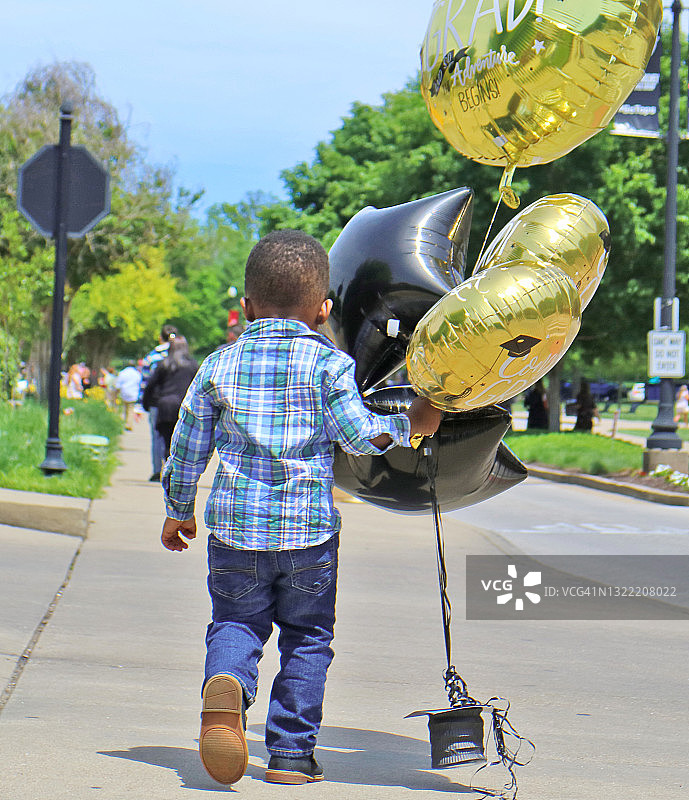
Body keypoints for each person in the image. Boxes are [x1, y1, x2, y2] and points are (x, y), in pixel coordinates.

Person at [159, 230, 441, 787]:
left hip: (236, 533)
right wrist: (412, 425)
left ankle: (229, 686)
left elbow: (188, 442)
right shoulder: (329, 366)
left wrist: (178, 508)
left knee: (236, 622)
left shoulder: (218, 365)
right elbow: (360, 437)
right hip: (309, 536)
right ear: (323, 309)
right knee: (307, 638)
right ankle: (290, 756)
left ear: (246, 307)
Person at [142, 335, 199, 461]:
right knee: (182, 443)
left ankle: (166, 466)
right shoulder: (193, 365)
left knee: (166, 441)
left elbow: (151, 385)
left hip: (165, 406)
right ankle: (176, 471)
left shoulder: (164, 364)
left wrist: (146, 404)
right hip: (184, 407)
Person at [139, 324, 178, 481]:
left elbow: (145, 382)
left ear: (160, 337)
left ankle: (157, 470)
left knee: (156, 437)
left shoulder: (152, 357)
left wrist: (141, 403)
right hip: (177, 402)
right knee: (174, 438)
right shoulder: (182, 356)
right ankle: (172, 470)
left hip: (157, 401)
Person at [115, 361, 142, 430]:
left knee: (125, 408)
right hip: (133, 393)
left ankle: (125, 422)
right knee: (130, 409)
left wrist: (117, 391)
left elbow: (118, 383)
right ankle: (129, 424)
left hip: (124, 392)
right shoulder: (137, 373)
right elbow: (139, 383)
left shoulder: (123, 372)